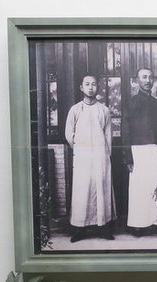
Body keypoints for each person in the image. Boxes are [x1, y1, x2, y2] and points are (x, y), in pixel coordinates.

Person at [65, 74, 116, 243]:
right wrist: (79, 148)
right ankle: (80, 229)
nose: (91, 87)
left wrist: (106, 155)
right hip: (83, 158)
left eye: (94, 84)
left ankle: (103, 227)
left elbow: (108, 135)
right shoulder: (75, 110)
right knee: (82, 190)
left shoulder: (104, 110)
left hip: (100, 157)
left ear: (97, 87)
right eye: (87, 84)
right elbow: (69, 133)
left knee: (101, 189)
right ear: (81, 87)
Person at [122, 68, 157, 237]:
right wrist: (128, 158)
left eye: (150, 77)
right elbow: (126, 131)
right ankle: (137, 224)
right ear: (137, 81)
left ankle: (155, 222)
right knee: (138, 188)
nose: (148, 80)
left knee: (154, 186)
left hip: (155, 149)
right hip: (137, 150)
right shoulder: (130, 103)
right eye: (144, 77)